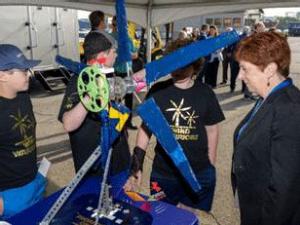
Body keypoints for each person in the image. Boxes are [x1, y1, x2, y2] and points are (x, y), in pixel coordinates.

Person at [125, 39, 225, 213]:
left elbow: (212, 130)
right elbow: (145, 129)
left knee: (186, 217)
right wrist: (137, 163)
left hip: (195, 172)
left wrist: (210, 164)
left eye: (182, 64)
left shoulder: (205, 93)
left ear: (194, 65)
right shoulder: (157, 91)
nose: (177, 69)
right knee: (161, 214)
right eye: (173, 63)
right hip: (163, 174)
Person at [232, 32, 300, 225]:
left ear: (270, 69)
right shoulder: (267, 98)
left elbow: (284, 189)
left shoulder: (291, 110)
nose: (239, 76)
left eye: (245, 69)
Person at [58, 32, 130, 176]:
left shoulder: (111, 74)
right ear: (103, 55)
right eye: (114, 52)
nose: (116, 56)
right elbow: (68, 123)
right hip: (94, 169)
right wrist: (91, 94)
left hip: (120, 162)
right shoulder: (80, 80)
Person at [0, 44, 47, 218]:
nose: (29, 74)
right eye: (23, 70)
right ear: (3, 75)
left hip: (34, 182)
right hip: (9, 197)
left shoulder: (23, 96)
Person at [110, 16, 139, 130]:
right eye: (118, 24)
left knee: (129, 97)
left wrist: (129, 55)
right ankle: (116, 121)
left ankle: (128, 121)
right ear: (114, 24)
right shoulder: (111, 38)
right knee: (116, 97)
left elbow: (135, 55)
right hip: (115, 72)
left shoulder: (128, 38)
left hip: (128, 72)